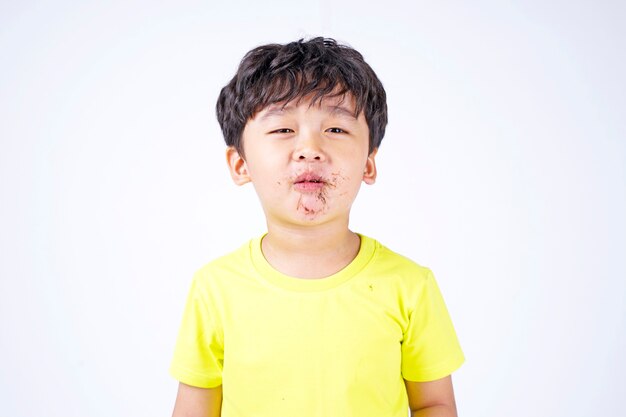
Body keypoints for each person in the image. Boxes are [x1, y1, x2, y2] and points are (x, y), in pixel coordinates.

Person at [169, 37, 464, 417]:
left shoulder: (410, 286)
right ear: (240, 164)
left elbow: (434, 403)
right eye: (283, 130)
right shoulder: (214, 288)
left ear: (368, 164)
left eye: (336, 130)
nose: (310, 149)